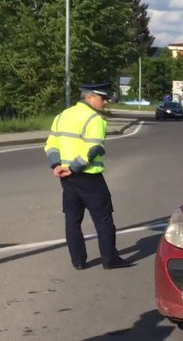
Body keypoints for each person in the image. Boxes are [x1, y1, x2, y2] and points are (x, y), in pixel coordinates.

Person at [44, 83, 133, 270]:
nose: (106, 102)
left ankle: (78, 261)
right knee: (103, 219)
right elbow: (92, 149)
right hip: (88, 177)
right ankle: (110, 259)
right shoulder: (94, 119)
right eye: (103, 98)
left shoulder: (62, 116)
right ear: (90, 97)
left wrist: (56, 164)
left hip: (66, 177)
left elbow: (51, 144)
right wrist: (74, 168)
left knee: (72, 219)